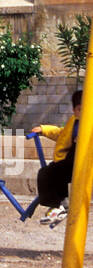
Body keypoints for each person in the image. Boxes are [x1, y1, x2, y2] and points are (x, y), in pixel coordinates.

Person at [33, 90, 83, 225]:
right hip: (69, 160)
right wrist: (44, 129)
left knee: (54, 171)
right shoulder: (73, 122)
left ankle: (59, 206)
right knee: (46, 173)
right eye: (80, 109)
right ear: (74, 110)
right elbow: (61, 133)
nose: (83, 113)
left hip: (82, 161)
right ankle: (59, 205)